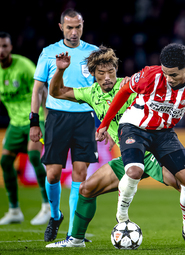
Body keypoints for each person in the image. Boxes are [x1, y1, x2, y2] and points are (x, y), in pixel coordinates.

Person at [44, 46, 185, 248]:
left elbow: (149, 104)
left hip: (150, 148)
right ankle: (76, 240)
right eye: (101, 73)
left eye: (111, 71)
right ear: (93, 75)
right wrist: (60, 70)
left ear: (117, 69)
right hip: (129, 153)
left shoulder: (132, 84)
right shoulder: (90, 93)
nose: (107, 77)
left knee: (182, 180)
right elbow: (56, 92)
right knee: (87, 189)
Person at [97, 43, 185, 248]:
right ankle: (122, 217)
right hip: (134, 127)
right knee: (135, 170)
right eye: (166, 73)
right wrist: (104, 125)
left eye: (174, 75)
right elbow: (124, 91)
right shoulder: (150, 75)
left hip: (164, 134)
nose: (168, 79)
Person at [30, 9, 98, 242]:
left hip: (85, 118)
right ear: (61, 27)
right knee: (53, 174)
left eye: (77, 26)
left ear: (82, 26)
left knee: (80, 175)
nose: (74, 32)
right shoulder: (49, 53)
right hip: (57, 117)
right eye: (69, 27)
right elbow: (38, 88)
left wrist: (105, 122)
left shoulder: (93, 53)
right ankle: (56, 215)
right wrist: (34, 120)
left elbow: (102, 89)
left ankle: (71, 233)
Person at [0, 32, 50, 225]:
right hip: (15, 123)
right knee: (5, 161)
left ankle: (48, 207)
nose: (1, 50)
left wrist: (45, 120)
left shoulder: (24, 66)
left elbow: (42, 91)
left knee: (34, 156)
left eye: (5, 46)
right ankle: (14, 211)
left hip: (35, 119)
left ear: (11, 47)